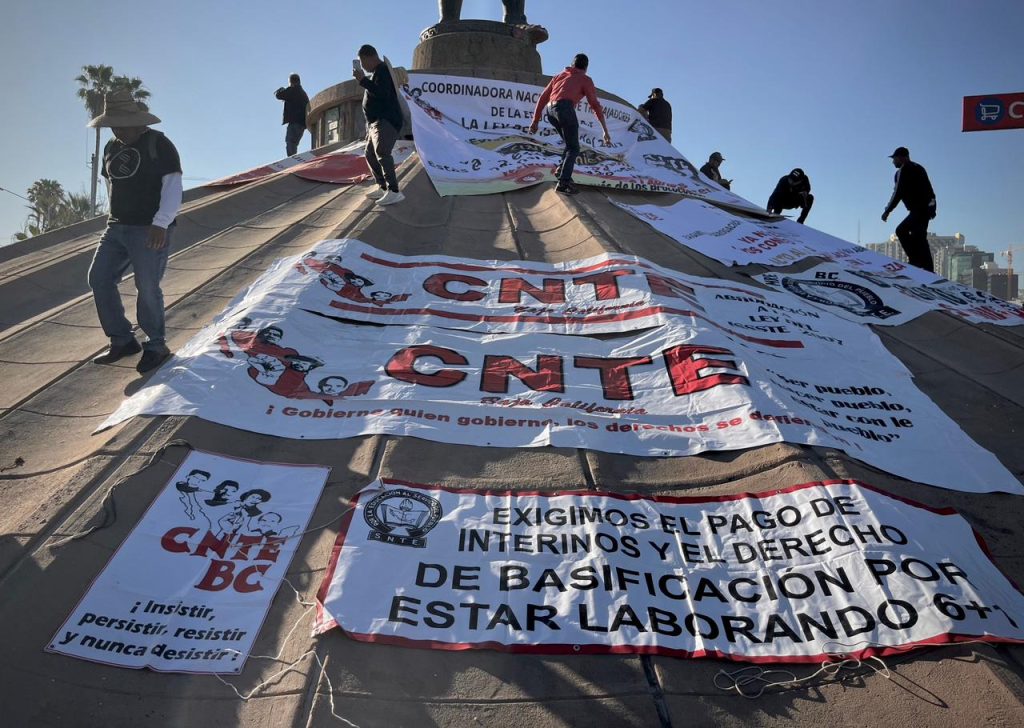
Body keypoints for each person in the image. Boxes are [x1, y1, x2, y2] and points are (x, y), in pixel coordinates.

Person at [87, 90, 182, 374]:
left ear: (137, 121)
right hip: (117, 227)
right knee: (99, 278)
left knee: (148, 286)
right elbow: (111, 185)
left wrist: (161, 223)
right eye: (112, 124)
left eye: (121, 123)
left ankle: (156, 345)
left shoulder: (159, 144)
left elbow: (173, 186)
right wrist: (112, 216)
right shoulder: (110, 148)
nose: (116, 129)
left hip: (149, 228)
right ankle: (122, 340)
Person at [528, 53, 612, 196]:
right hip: (565, 108)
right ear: (586, 67)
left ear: (572, 64)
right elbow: (595, 105)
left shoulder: (559, 76)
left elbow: (543, 97)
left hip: (550, 111)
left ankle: (561, 170)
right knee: (574, 148)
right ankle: (564, 183)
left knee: (569, 144)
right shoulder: (585, 79)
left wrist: (535, 120)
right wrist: (605, 130)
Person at [354, 44, 405, 206]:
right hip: (375, 123)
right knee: (370, 154)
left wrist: (363, 81)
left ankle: (394, 190)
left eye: (362, 63)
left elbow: (382, 93)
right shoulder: (376, 73)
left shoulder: (382, 70)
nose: (362, 67)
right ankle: (382, 186)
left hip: (386, 120)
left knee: (382, 152)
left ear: (369, 57)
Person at [882, 146, 937, 273]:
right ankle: (927, 268)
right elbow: (930, 190)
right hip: (926, 209)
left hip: (919, 210)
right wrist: (933, 207)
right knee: (920, 236)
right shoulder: (919, 168)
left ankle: (916, 261)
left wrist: (887, 211)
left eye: (894, 159)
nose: (893, 162)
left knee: (902, 230)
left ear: (902, 158)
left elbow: (897, 193)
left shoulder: (903, 170)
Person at [274, 73, 309, 156]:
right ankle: (293, 159)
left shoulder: (293, 90)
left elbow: (279, 95)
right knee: (294, 143)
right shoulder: (303, 93)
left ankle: (292, 161)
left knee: (290, 142)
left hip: (295, 122)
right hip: (302, 123)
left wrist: (281, 90)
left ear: (291, 81)